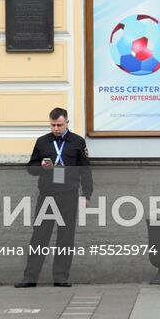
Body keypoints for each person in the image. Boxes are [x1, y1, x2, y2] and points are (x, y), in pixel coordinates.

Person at [16, 107, 93, 288]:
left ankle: (61, 277)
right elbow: (31, 169)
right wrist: (42, 167)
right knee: (39, 236)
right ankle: (30, 277)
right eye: (53, 125)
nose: (56, 128)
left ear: (67, 123)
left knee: (65, 237)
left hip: (69, 196)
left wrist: (86, 194)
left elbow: (86, 170)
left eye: (59, 125)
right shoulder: (42, 142)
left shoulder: (77, 142)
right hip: (47, 195)